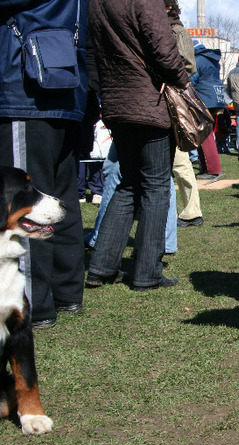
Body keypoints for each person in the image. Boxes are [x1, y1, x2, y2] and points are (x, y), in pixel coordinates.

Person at [86, 0, 188, 291]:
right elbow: (164, 50)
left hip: (117, 105)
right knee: (156, 186)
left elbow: (94, 53)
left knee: (127, 184)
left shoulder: (96, 4)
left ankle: (101, 267)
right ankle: (147, 273)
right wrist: (183, 83)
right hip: (148, 104)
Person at [0, 0, 89, 329]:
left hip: (26, 90)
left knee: (24, 202)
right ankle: (67, 293)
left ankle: (33, 304)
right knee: (60, 195)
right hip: (63, 88)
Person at [165, 0, 204, 228]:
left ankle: (192, 211)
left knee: (180, 162)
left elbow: (189, 66)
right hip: (159, 102)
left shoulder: (177, 31)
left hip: (173, 102)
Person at [191, 42, 226, 180]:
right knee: (206, 133)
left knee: (204, 135)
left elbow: (191, 80)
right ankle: (208, 168)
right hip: (215, 98)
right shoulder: (212, 60)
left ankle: (212, 169)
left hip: (204, 99)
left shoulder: (197, 60)